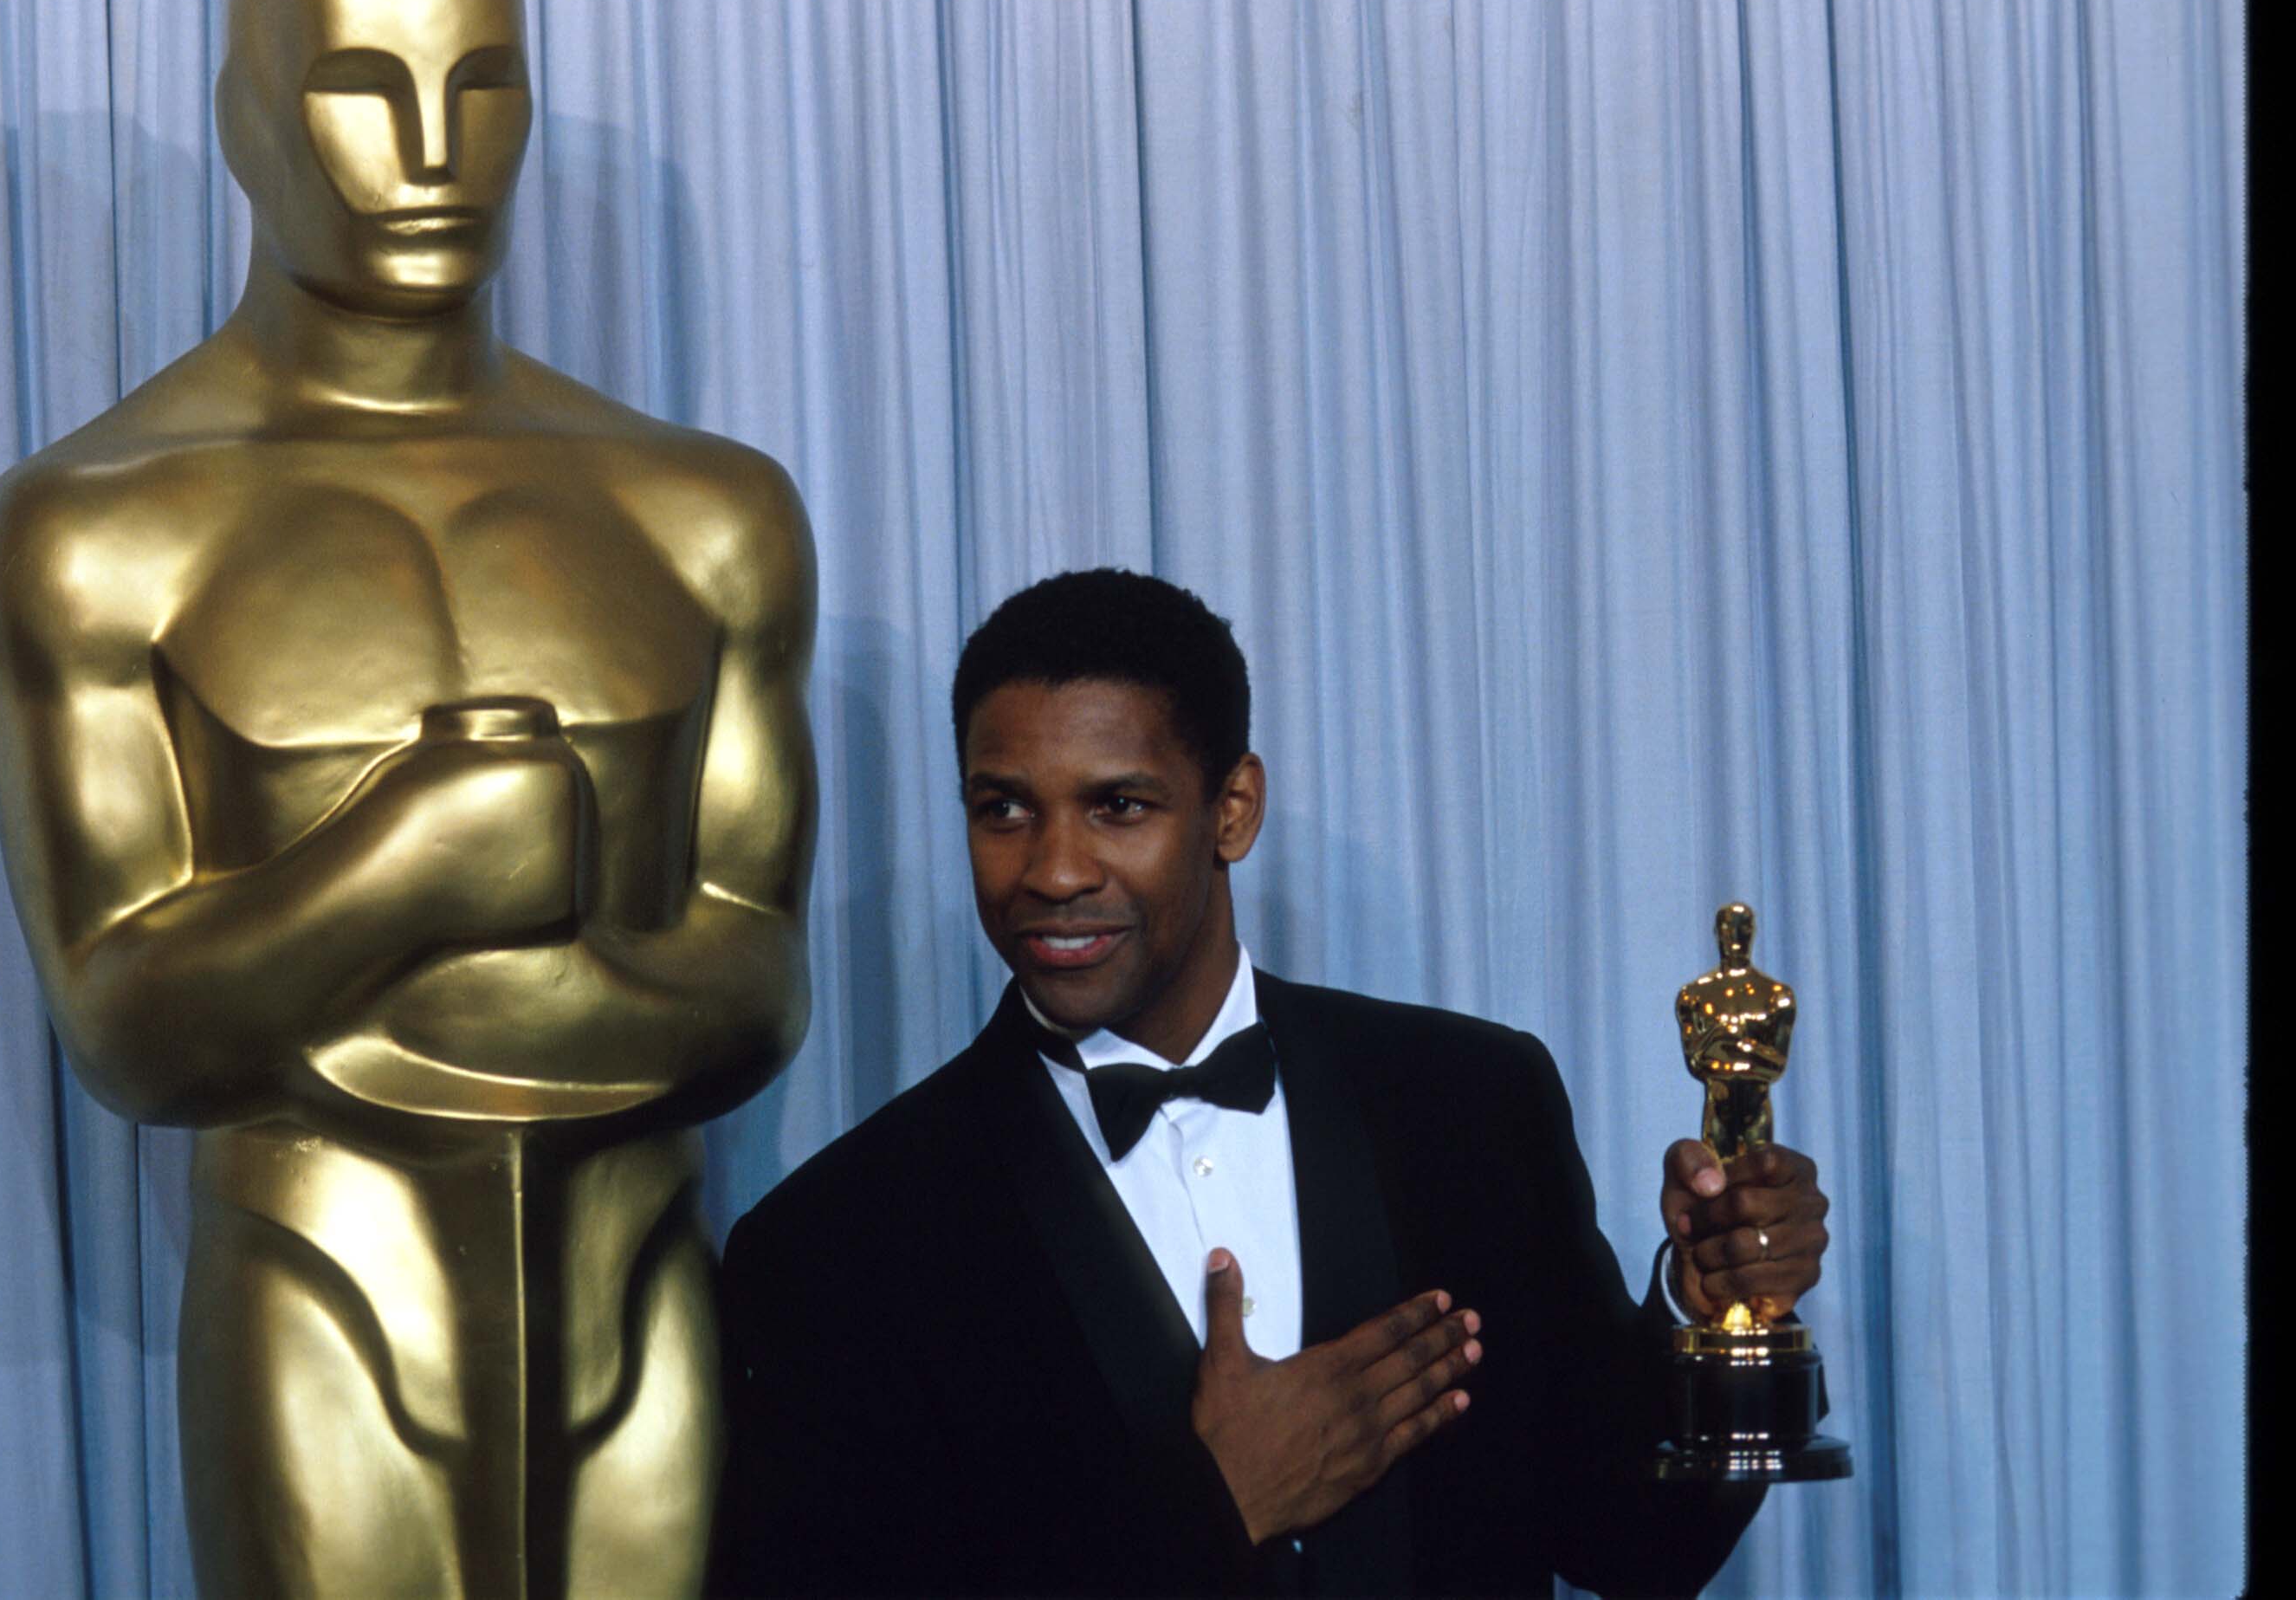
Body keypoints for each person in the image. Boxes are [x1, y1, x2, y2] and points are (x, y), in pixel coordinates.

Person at [0, 0, 815, 1598]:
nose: (432, 153)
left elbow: (764, 997)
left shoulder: (706, 512)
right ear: (244, 116)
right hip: (318, 1286)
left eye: (480, 86)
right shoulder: (101, 530)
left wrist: (376, 987)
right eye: (363, 87)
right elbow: (129, 1028)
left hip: (642, 1282)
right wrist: (416, 866)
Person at [713, 569, 1830, 1598]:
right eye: (1004, 808)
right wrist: (1215, 1508)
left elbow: (1633, 1547)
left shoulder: (1471, 1104)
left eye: (1119, 806)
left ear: (1232, 810)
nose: (1052, 871)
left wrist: (1712, 1311)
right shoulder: (836, 1247)